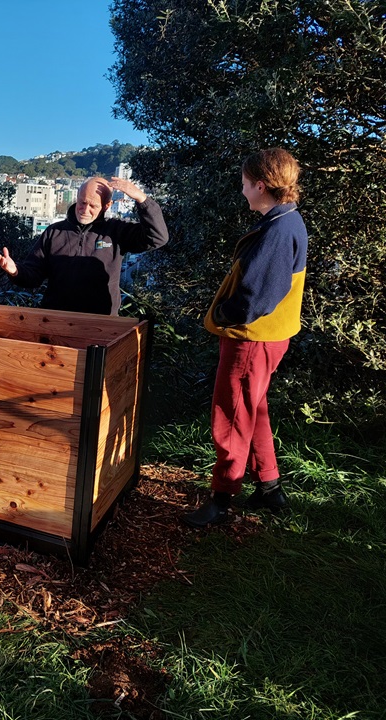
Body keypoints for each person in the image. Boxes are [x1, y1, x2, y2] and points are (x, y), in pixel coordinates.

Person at [182, 148, 308, 528]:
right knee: (255, 409)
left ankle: (221, 500)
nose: (241, 191)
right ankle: (269, 486)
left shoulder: (279, 229)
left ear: (260, 185)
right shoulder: (288, 221)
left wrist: (225, 314)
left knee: (231, 415)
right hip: (269, 338)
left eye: (243, 183)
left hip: (251, 339)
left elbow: (258, 295)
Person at [0, 176, 168, 315]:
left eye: (93, 205)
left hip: (100, 324)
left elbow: (157, 237)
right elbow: (34, 275)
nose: (85, 209)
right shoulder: (54, 232)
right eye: (82, 202)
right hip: (56, 321)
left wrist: (142, 199)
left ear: (107, 206)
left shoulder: (116, 231)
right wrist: (15, 270)